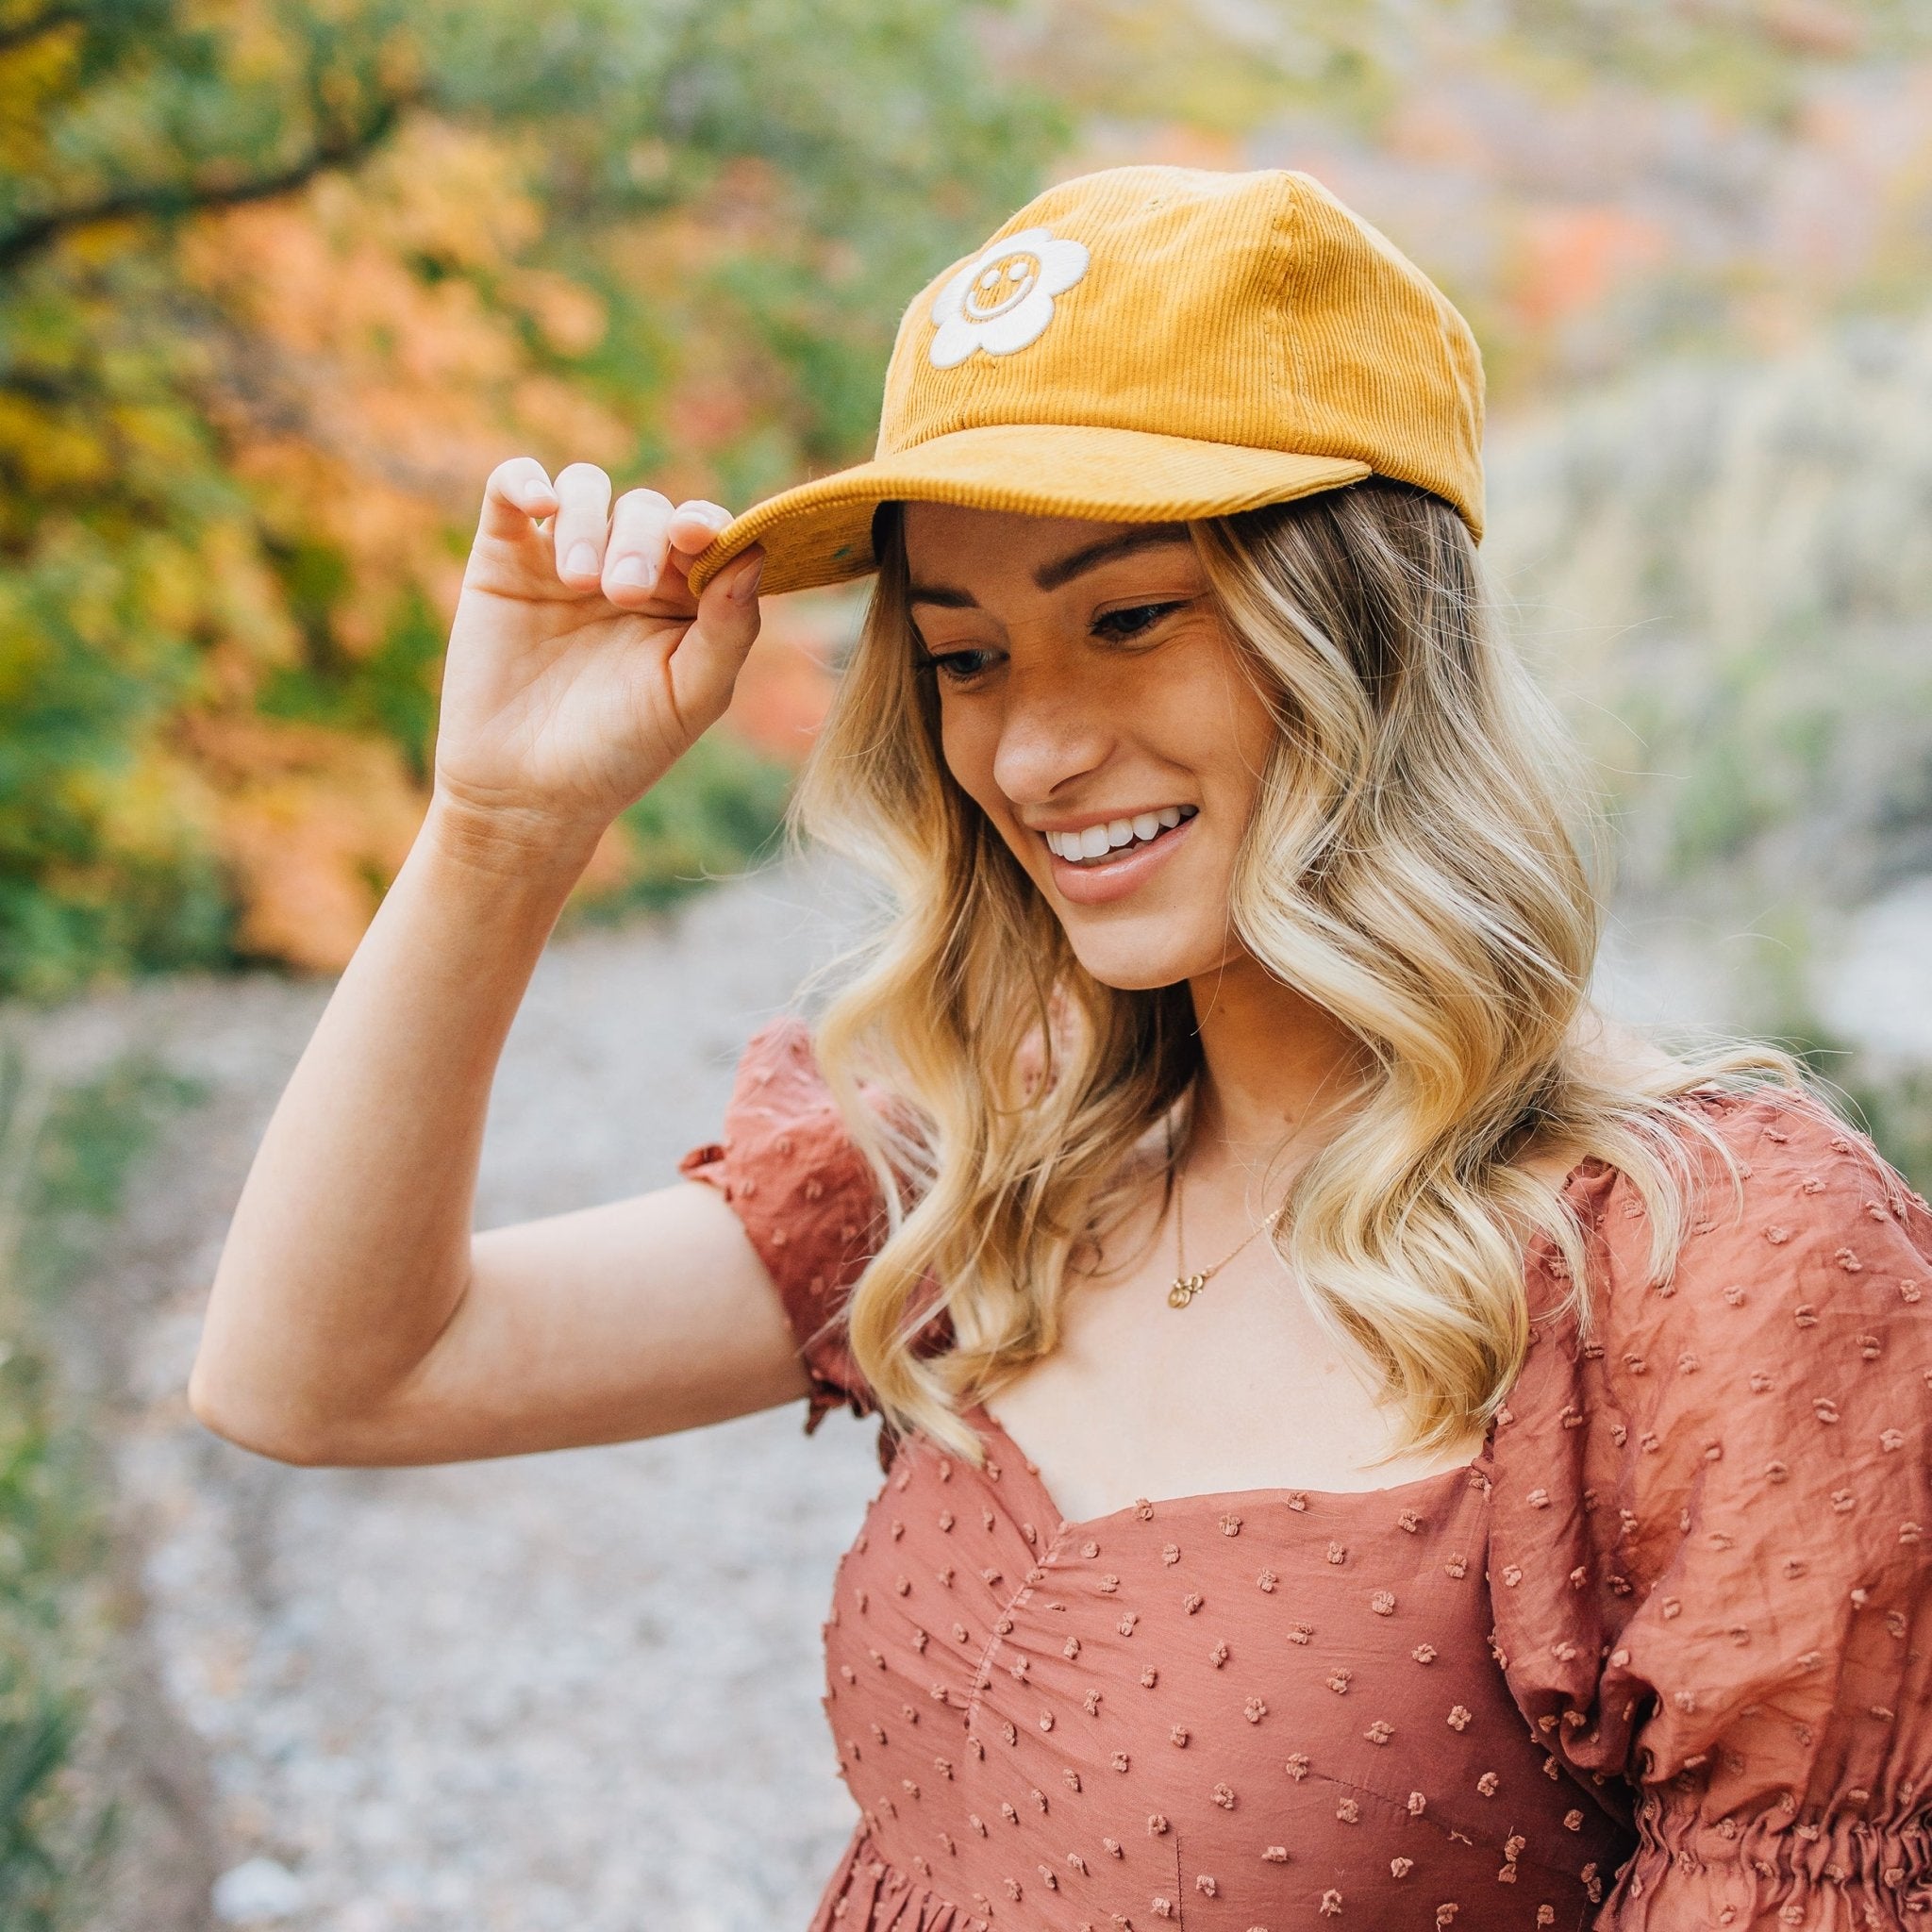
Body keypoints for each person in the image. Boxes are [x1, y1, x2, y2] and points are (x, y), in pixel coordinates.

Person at [191, 166, 1932, 1930]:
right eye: (963, 656)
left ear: (1371, 634)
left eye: (1129, 619)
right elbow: (322, 1378)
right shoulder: (1000, 1141)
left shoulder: (1717, 1269)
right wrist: (495, 826)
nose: (1028, 756)